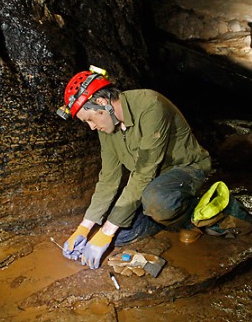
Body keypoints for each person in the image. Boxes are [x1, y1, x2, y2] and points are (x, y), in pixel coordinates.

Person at [56, 67, 211, 269]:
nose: (92, 127)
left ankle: (195, 216)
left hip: (185, 169)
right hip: (151, 182)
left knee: (156, 202)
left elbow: (144, 172)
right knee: (120, 236)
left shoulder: (150, 106)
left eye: (89, 119)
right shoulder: (107, 126)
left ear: (102, 102)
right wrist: (84, 228)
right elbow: (108, 179)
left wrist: (106, 232)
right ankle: (159, 216)